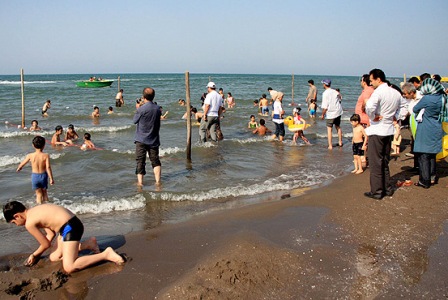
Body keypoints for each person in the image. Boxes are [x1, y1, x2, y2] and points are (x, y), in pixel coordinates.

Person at [3, 201, 125, 273]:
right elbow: (50, 235)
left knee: (69, 267)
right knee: (54, 257)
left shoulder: (29, 223)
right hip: (71, 224)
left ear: (17, 216)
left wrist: (34, 255)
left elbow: (45, 244)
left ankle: (106, 254)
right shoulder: (35, 210)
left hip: (70, 228)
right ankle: (89, 244)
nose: (17, 225)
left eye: (14, 223)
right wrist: (39, 253)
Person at [363, 68, 404, 200]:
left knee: (375, 163)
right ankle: (387, 188)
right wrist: (396, 116)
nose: (371, 83)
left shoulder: (378, 92)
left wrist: (373, 116)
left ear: (378, 79)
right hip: (388, 130)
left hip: (377, 130)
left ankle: (377, 191)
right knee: (384, 161)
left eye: (371, 80)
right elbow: (405, 106)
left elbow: (369, 107)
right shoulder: (395, 92)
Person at [412, 78, 445, 188]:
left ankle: (424, 180)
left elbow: (415, 108)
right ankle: (432, 177)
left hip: (426, 127)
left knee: (423, 155)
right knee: (432, 154)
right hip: (436, 126)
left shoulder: (427, 99)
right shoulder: (442, 97)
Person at [133, 87, 162, 186]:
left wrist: (138, 108)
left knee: (140, 161)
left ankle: (140, 183)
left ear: (144, 96)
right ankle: (158, 182)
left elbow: (134, 121)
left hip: (141, 139)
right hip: (153, 139)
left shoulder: (141, 109)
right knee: (155, 160)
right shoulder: (158, 109)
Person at [16, 136, 55, 204]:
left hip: (35, 177)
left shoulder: (30, 155)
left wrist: (19, 167)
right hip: (43, 176)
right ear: (44, 145)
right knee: (44, 192)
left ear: (33, 145)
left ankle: (39, 206)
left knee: (38, 194)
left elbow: (23, 163)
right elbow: (48, 167)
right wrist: (51, 178)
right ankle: (47, 206)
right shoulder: (46, 155)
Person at [320, 79, 343, 149]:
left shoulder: (325, 93)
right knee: (338, 127)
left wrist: (322, 115)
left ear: (324, 84)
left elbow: (325, 107)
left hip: (331, 113)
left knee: (329, 129)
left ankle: (330, 145)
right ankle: (340, 142)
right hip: (338, 111)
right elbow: (340, 97)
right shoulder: (334, 91)